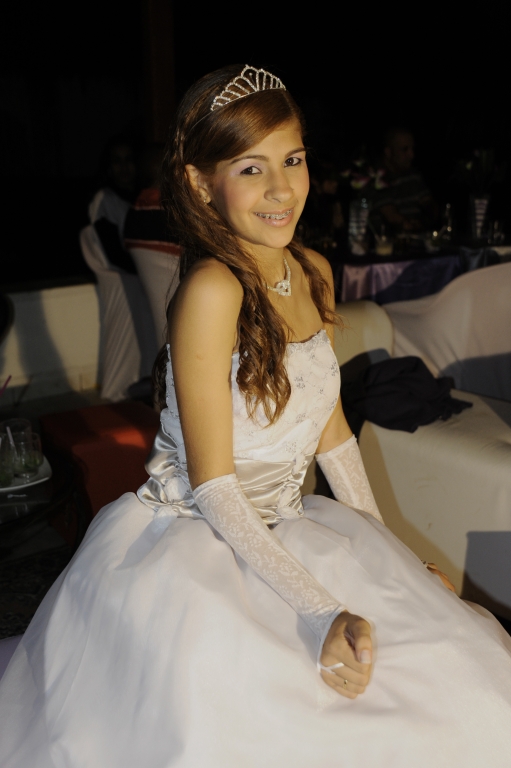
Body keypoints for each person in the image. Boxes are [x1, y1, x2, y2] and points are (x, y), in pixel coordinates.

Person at [1, 64, 511, 768]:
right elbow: (214, 486)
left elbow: (332, 434)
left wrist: (390, 551)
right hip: (200, 535)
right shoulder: (211, 290)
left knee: (449, 683)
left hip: (293, 522)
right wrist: (320, 610)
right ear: (198, 182)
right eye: (251, 168)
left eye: (293, 159)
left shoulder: (313, 271)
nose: (281, 188)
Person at [371, 127, 437, 233]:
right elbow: (392, 216)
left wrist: (429, 219)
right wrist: (411, 225)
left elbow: (428, 203)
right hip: (389, 239)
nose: (411, 155)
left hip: (417, 236)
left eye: (412, 149)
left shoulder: (413, 175)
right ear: (388, 152)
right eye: (405, 149)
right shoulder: (377, 179)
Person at [88, 134, 139, 273]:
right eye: (117, 161)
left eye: (128, 160)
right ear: (109, 167)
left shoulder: (143, 197)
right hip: (122, 275)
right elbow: (113, 254)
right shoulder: (104, 199)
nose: (124, 167)